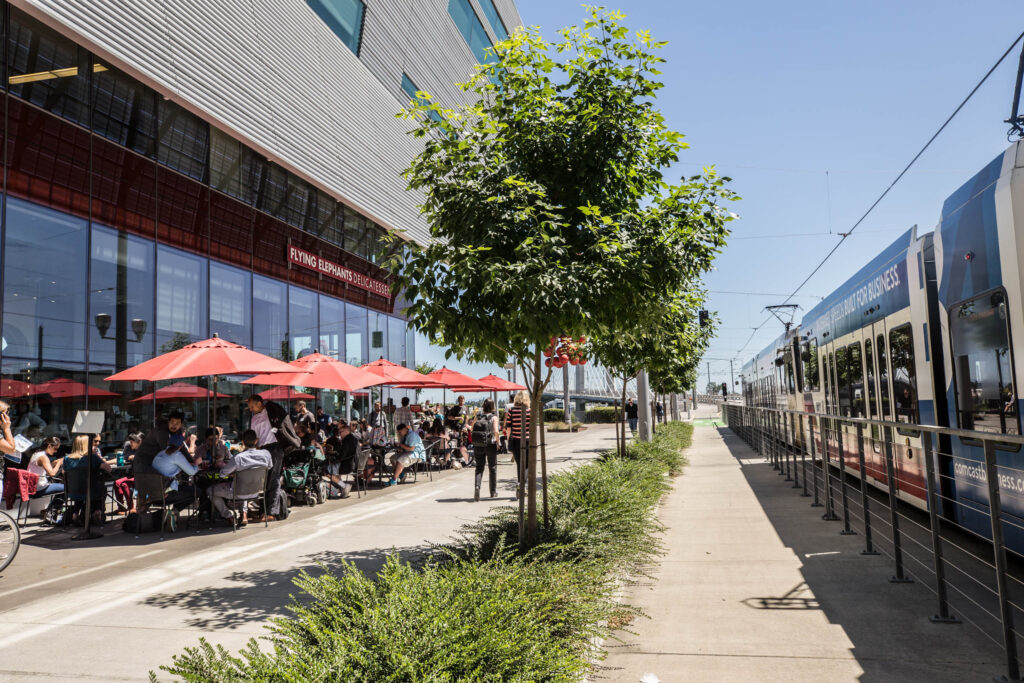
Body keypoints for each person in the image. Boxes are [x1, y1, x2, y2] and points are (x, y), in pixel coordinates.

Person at [248, 393, 300, 521]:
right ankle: (263, 511)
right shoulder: (254, 419)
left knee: (273, 479)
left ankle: (271, 512)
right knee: (265, 480)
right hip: (262, 449)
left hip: (275, 447)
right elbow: (255, 436)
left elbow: (284, 422)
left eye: (252, 406)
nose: (251, 409)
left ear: (259, 403)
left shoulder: (271, 411)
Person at [208, 429, 273, 526]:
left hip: (238, 492)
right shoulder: (266, 454)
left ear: (242, 442)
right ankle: (244, 513)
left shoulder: (238, 458)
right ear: (256, 440)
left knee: (210, 490)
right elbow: (269, 467)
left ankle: (228, 515)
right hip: (257, 491)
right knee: (244, 483)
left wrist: (233, 473)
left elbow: (222, 474)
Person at [62, 433, 110, 526]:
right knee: (102, 488)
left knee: (81, 486)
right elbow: (108, 469)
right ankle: (98, 510)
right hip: (91, 491)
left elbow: (64, 472)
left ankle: (75, 513)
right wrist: (98, 458)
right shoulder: (92, 457)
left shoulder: (67, 459)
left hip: (72, 491)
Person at [132, 410, 188, 475]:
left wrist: (191, 461)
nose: (174, 426)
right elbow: (166, 452)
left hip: (152, 462)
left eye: (177, 423)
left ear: (181, 425)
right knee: (164, 478)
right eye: (172, 422)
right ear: (168, 422)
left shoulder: (178, 432)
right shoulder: (161, 431)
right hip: (142, 463)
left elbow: (181, 447)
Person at [27, 436, 64, 521]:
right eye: (55, 449)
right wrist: (59, 463)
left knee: (61, 487)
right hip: (37, 488)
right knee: (66, 489)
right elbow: (52, 474)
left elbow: (44, 470)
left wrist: (53, 464)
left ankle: (48, 511)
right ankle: (50, 512)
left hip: (32, 487)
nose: (56, 451)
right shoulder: (43, 457)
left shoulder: (37, 454)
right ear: (49, 446)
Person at [471, 399, 500, 501]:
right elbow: (496, 431)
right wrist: (498, 442)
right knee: (492, 467)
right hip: (490, 444)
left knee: (479, 467)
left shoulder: (478, 416)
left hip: (478, 444)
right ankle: (493, 492)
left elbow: (472, 428)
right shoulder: (494, 417)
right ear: (492, 407)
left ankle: (477, 486)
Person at [503, 390, 530, 496]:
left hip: (515, 440)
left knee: (519, 463)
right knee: (526, 464)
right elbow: (532, 428)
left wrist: (509, 439)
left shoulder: (512, 410)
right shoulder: (529, 411)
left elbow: (508, 427)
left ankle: (520, 484)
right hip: (527, 440)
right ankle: (523, 485)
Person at [324, 421, 357, 498]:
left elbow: (342, 456)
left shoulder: (347, 440)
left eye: (341, 432)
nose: (339, 434)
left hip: (346, 465)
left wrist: (334, 456)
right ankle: (342, 487)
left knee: (325, 471)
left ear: (346, 431)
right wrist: (336, 452)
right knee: (332, 468)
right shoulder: (352, 438)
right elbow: (344, 452)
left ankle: (344, 486)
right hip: (350, 463)